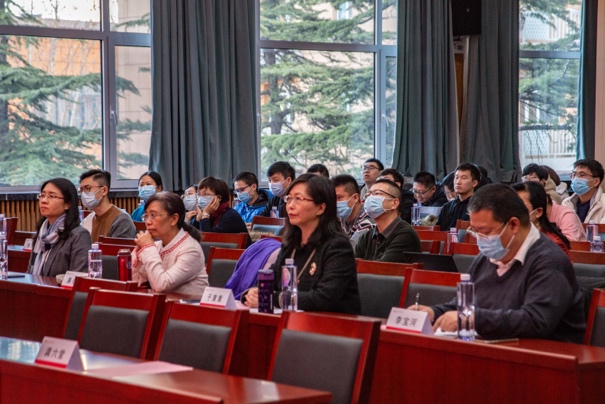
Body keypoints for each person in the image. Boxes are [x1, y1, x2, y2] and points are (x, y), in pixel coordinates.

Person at [414, 183, 585, 343]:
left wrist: (475, 319)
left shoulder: (549, 260)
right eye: (475, 231)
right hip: (496, 348)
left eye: (485, 231)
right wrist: (434, 312)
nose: (480, 238)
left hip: (546, 356)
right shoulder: (489, 256)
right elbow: (465, 306)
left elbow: (536, 321)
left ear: (513, 225)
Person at [243, 174, 361, 314]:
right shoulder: (291, 243)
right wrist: (252, 293)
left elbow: (323, 299)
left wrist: (270, 298)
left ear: (321, 208)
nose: (290, 206)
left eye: (298, 199)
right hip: (293, 322)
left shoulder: (338, 247)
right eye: (289, 198)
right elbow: (269, 281)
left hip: (332, 324)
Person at [132, 192, 208, 295]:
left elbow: (161, 285)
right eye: (146, 216)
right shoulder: (156, 246)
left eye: (153, 215)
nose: (148, 222)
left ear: (174, 219)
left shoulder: (191, 249)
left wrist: (148, 248)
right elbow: (134, 283)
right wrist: (137, 254)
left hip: (187, 305)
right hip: (161, 303)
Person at [28, 178, 92, 276]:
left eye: (52, 196)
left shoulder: (79, 235)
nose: (44, 201)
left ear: (67, 204)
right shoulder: (42, 233)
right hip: (37, 285)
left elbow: (79, 277)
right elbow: (29, 272)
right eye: (42, 195)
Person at [354, 179, 421, 262]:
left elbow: (382, 267)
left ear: (394, 203)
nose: (370, 198)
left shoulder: (405, 234)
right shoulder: (367, 236)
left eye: (377, 193)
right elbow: (352, 265)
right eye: (369, 194)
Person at [512, 181, 572, 259]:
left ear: (538, 212)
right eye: (511, 206)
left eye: (520, 207)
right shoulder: (509, 237)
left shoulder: (552, 245)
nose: (513, 211)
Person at [79, 169, 136, 242]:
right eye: (81, 190)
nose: (83, 193)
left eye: (87, 188)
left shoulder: (122, 220)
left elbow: (120, 248)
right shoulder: (89, 219)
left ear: (104, 190)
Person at [192, 177, 251, 245]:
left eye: (206, 194)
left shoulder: (230, 216)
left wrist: (205, 214)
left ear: (219, 198)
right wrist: (199, 216)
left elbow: (208, 242)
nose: (201, 198)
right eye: (199, 194)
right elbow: (190, 237)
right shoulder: (209, 214)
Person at [332, 174, 374, 246]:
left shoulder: (369, 218)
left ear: (355, 197)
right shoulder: (339, 217)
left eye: (339, 198)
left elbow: (351, 249)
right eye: (332, 198)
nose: (335, 202)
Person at [437, 163, 481, 231]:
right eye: (456, 177)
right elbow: (438, 231)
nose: (458, 182)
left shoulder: (479, 207)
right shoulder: (447, 207)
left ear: (474, 183)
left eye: (463, 178)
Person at [562, 158, 605, 223]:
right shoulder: (566, 203)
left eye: (582, 175)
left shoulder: (603, 203)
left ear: (596, 181)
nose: (576, 178)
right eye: (574, 174)